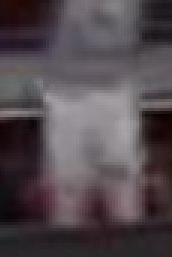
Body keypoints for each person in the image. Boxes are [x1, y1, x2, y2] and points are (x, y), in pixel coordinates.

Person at [41, 0, 146, 227]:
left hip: (117, 92)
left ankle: (132, 242)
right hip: (67, 94)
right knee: (69, 184)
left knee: (122, 181)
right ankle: (67, 244)